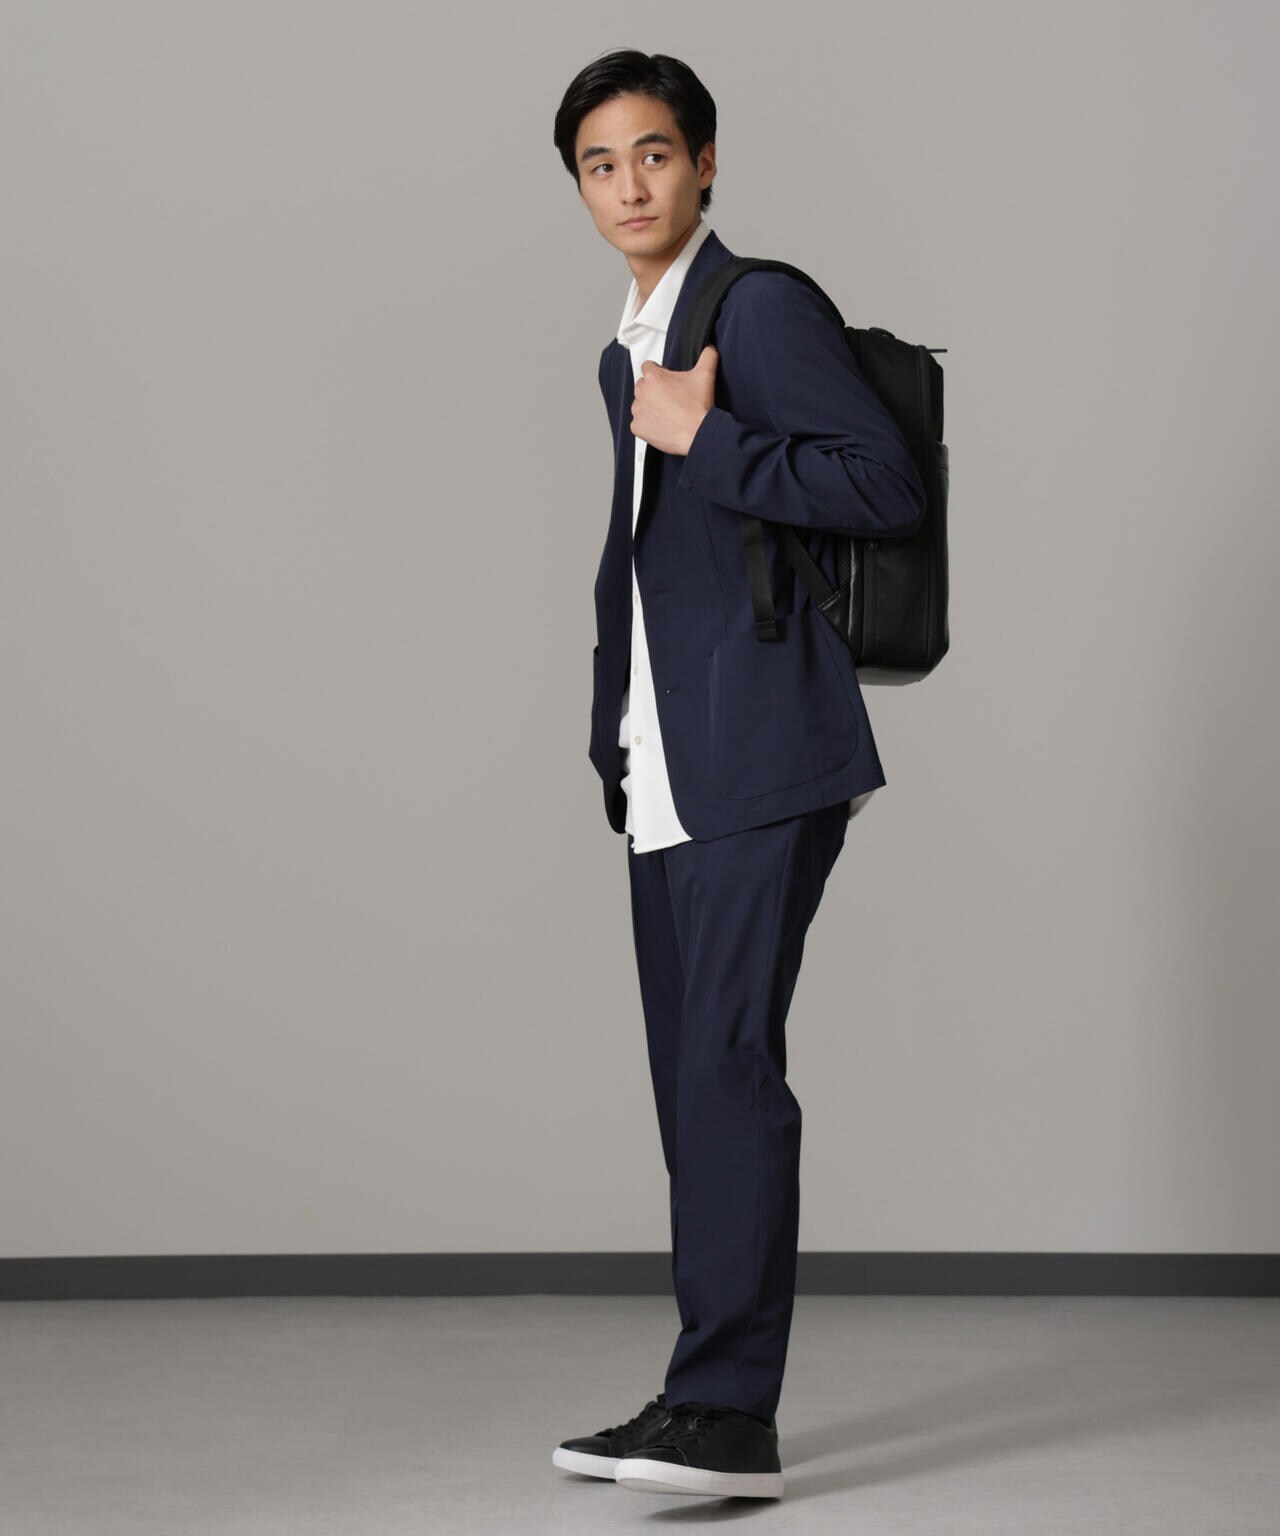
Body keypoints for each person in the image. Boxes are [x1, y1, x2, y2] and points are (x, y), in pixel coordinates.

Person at [549, 48, 927, 1501]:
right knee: (692, 1086)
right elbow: (652, 566)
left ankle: (730, 1418)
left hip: (761, 749)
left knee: (726, 1073)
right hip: (671, 760)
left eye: (654, 154)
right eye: (600, 165)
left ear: (705, 164)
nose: (630, 185)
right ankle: (695, 1395)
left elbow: (884, 484)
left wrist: (709, 436)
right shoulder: (627, 348)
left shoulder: (754, 308)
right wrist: (615, 728)